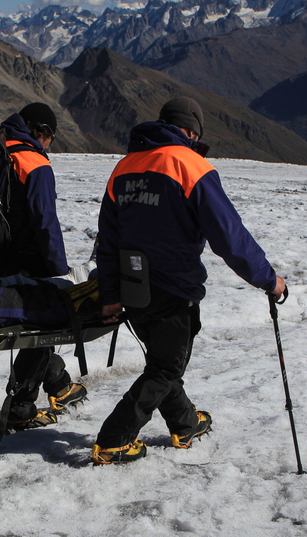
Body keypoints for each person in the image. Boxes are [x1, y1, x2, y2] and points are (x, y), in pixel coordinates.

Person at [91, 96, 287, 465]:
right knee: (166, 368)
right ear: (191, 131)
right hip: (173, 286)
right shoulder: (189, 165)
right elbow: (229, 234)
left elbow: (108, 240)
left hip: (135, 288)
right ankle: (114, 439)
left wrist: (111, 294)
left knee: (163, 361)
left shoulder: (124, 166)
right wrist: (268, 280)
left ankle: (185, 423)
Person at [0, 103, 86, 430]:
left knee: (37, 322)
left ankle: (57, 382)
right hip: (20, 261)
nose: (48, 146)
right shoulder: (32, 161)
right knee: (46, 320)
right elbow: (46, 224)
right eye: (49, 138)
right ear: (40, 132)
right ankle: (21, 406)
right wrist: (58, 270)